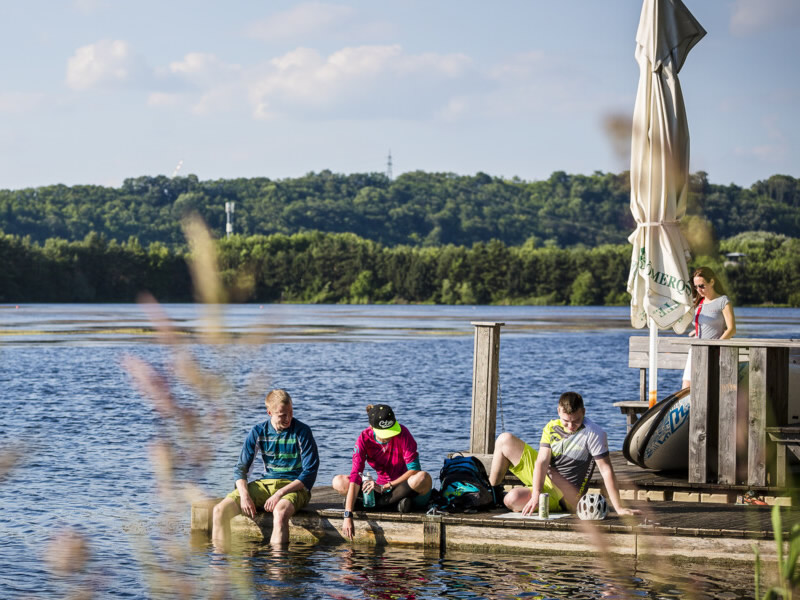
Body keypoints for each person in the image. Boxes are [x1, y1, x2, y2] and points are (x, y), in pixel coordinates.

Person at [487, 391, 640, 517]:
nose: (571, 426)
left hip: (564, 496)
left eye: (576, 421)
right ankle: (491, 493)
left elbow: (606, 471)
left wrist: (619, 508)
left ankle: (517, 494)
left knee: (511, 499)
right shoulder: (551, 427)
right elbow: (541, 462)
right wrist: (536, 495)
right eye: (566, 421)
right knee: (504, 439)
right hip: (545, 476)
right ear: (558, 411)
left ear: (584, 412)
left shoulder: (594, 433)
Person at [212, 389, 319, 548]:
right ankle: (220, 563)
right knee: (219, 511)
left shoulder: (302, 432)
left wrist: (280, 493)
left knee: (280, 512)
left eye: (290, 412)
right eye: (282, 415)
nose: (288, 418)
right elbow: (241, 469)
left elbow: (309, 472)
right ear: (269, 412)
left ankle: (276, 567)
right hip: (265, 483)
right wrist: (244, 495)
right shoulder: (258, 432)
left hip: (294, 487)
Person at [332, 404, 433, 540]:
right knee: (338, 481)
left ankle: (373, 505)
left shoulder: (404, 433)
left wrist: (388, 486)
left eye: (391, 431)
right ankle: (395, 505)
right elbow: (356, 475)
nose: (390, 437)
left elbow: (415, 470)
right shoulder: (364, 438)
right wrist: (347, 515)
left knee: (423, 478)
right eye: (385, 434)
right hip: (382, 490)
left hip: (404, 486)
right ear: (372, 427)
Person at [682, 266, 736, 389]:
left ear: (712, 281)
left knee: (706, 388)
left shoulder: (723, 301)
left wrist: (716, 346)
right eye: (696, 287)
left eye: (701, 286)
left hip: (714, 353)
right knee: (686, 387)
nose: (698, 289)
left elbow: (732, 329)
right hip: (695, 350)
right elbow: (705, 325)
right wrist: (695, 332)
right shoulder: (698, 302)